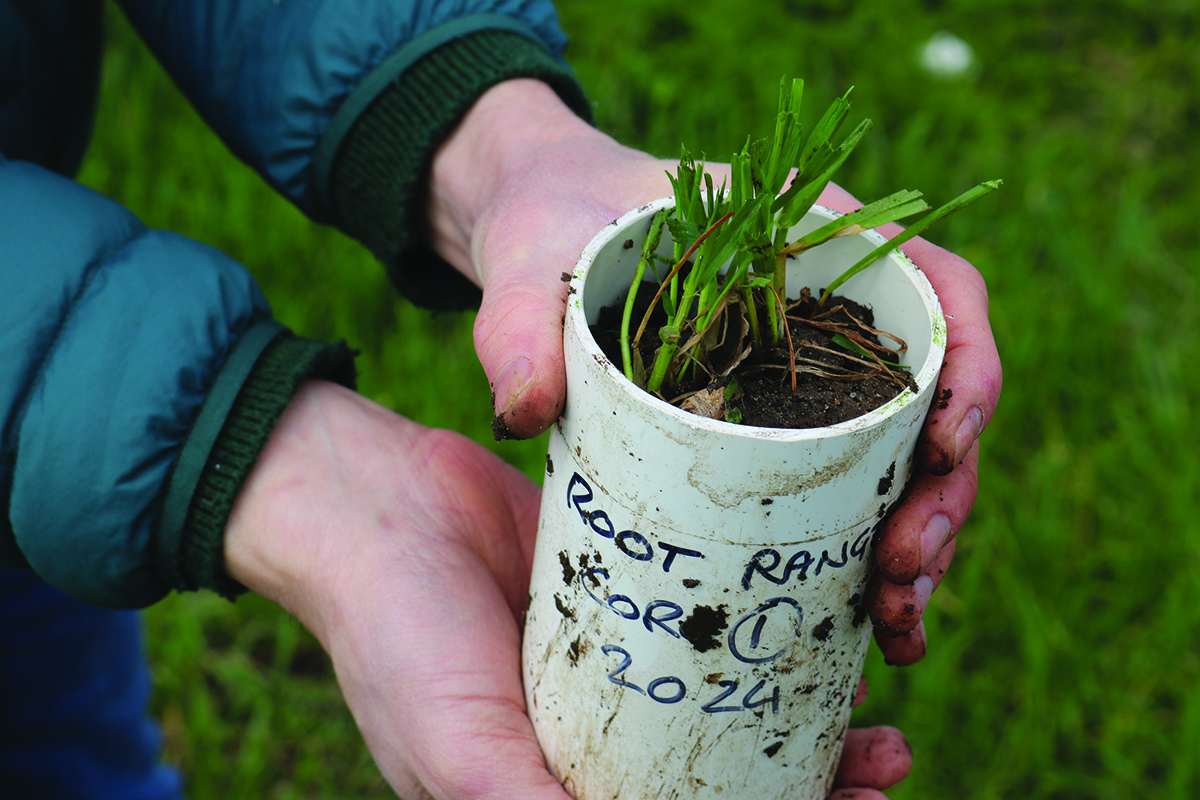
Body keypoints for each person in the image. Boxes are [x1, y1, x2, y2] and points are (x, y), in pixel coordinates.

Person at [0, 1, 1001, 798]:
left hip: (43, 483)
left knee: (62, 736)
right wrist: (250, 462)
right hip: (52, 437)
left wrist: (501, 141)